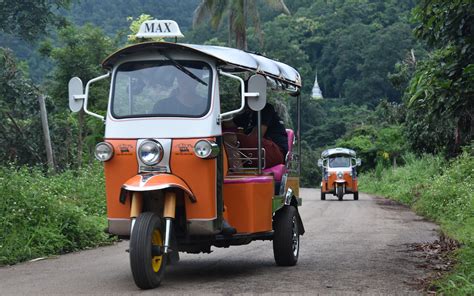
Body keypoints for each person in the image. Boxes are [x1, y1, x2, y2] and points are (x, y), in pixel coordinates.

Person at [226, 103, 288, 168]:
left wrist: (239, 137)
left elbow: (257, 135)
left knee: (228, 138)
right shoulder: (248, 114)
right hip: (261, 151)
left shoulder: (265, 108)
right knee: (223, 137)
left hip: (274, 153)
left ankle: (237, 172)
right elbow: (228, 123)